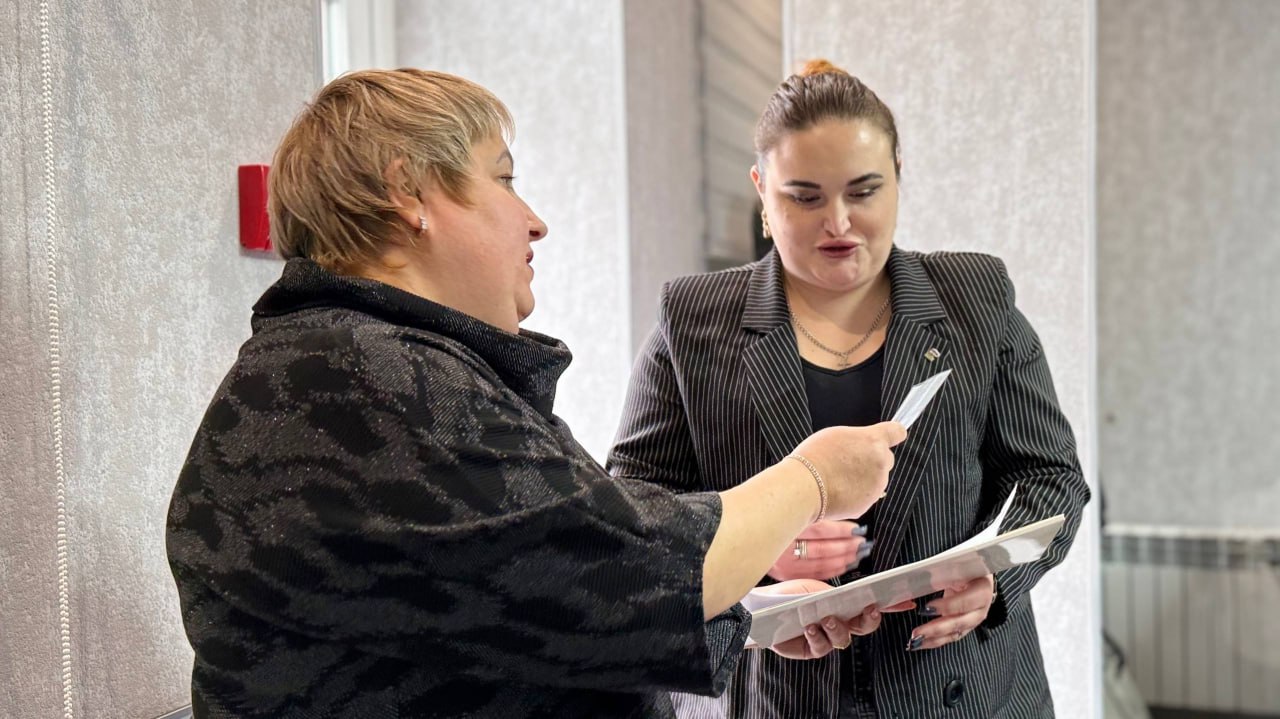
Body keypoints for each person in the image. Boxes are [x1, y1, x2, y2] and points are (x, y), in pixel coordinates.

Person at [165, 68, 913, 719]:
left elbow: (531, 590)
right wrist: (812, 481)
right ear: (408, 192)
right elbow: (624, 563)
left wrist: (745, 611)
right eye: (504, 179)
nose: (535, 221)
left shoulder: (367, 364)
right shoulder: (361, 380)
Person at [608, 59, 1091, 718]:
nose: (838, 222)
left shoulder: (976, 299)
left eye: (863, 191)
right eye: (805, 197)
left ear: (898, 178)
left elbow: (1051, 476)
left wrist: (994, 577)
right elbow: (635, 510)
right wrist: (749, 550)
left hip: (957, 690)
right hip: (772, 693)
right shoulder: (693, 320)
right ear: (761, 190)